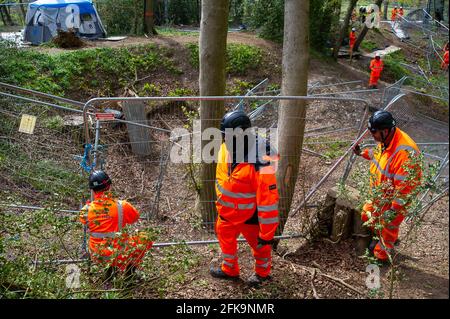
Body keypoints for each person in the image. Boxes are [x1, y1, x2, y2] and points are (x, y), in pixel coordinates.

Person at [210, 110, 280, 287]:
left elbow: (268, 200)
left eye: (227, 136)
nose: (224, 140)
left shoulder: (261, 162)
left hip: (250, 215)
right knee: (226, 242)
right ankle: (230, 270)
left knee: (260, 247)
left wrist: (267, 234)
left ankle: (262, 274)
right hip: (226, 213)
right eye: (224, 136)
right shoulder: (227, 147)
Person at [353, 111, 421, 262]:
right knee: (367, 214)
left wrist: (393, 210)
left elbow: (405, 188)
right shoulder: (386, 140)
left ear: (384, 131)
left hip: (395, 201)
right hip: (380, 195)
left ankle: (380, 257)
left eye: (373, 132)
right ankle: (380, 238)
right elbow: (378, 155)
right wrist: (362, 153)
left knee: (388, 226)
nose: (372, 136)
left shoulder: (404, 153)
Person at [80, 170, 153, 279]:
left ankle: (109, 274)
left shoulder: (85, 210)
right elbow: (135, 218)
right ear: (109, 186)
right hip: (118, 254)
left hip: (97, 255)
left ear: (93, 190)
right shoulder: (122, 206)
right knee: (146, 238)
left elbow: (85, 222)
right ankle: (130, 273)